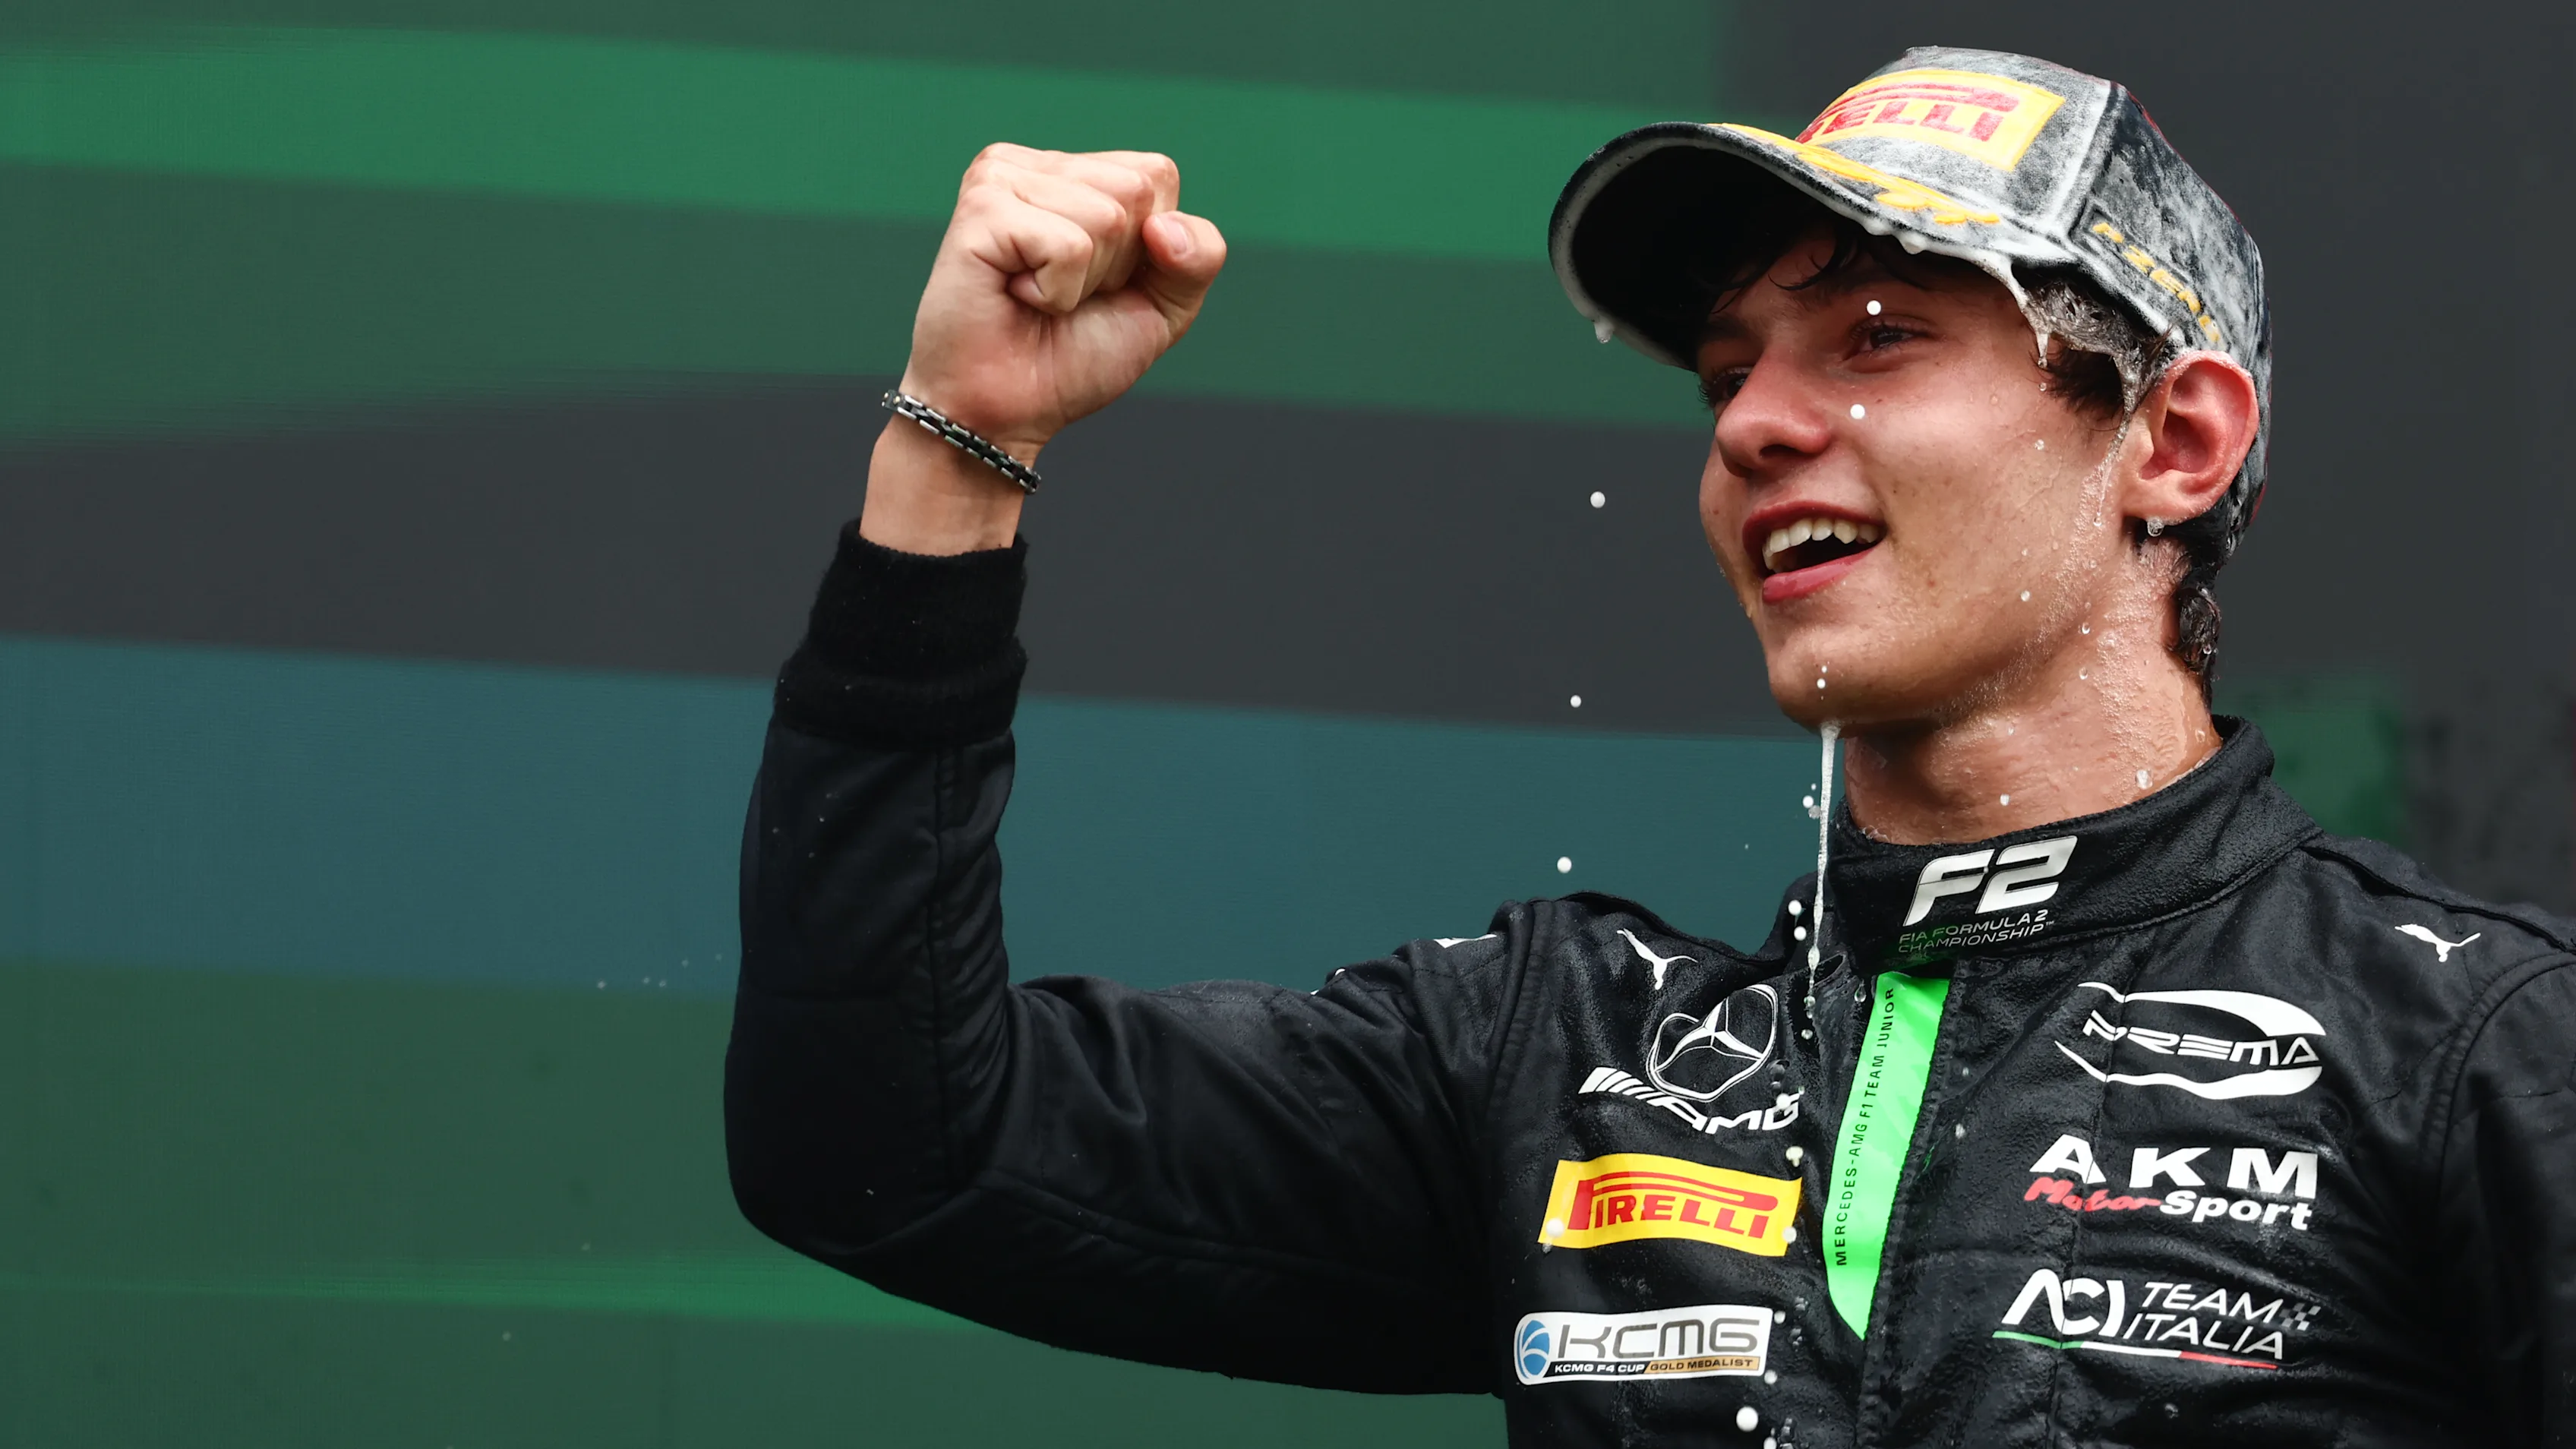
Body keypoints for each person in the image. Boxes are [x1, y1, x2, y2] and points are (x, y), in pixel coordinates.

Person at [723, 46, 2574, 1447]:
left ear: (2169, 444)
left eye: (1873, 336)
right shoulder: (1560, 1060)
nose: (1754, 422)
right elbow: (882, 1141)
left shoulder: (2471, 1049)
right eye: (1724, 373)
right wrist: (957, 450)